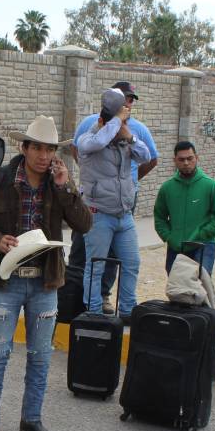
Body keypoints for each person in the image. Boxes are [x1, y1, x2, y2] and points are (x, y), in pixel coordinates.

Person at [0, 116, 92, 431]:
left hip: (46, 283)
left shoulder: (56, 183)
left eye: (50, 149)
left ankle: (31, 419)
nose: (44, 156)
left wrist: (65, 187)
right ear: (25, 148)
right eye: (38, 148)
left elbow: (83, 224)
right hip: (6, 281)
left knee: (41, 356)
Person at [70, 80, 159, 314]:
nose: (120, 127)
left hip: (124, 214)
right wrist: (117, 120)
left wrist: (129, 136)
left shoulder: (124, 139)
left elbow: (146, 155)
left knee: (131, 263)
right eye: (117, 122)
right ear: (102, 122)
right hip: (98, 214)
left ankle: (128, 311)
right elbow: (99, 140)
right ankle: (94, 311)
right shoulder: (88, 139)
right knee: (96, 266)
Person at [153, 140, 215, 274]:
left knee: (200, 285)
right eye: (181, 159)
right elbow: (159, 216)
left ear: (196, 158)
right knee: (177, 288)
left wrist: (203, 234)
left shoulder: (210, 185)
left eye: (190, 158)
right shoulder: (167, 188)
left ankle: (210, 295)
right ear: (175, 160)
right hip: (176, 246)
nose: (186, 163)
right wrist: (169, 237)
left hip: (204, 245)